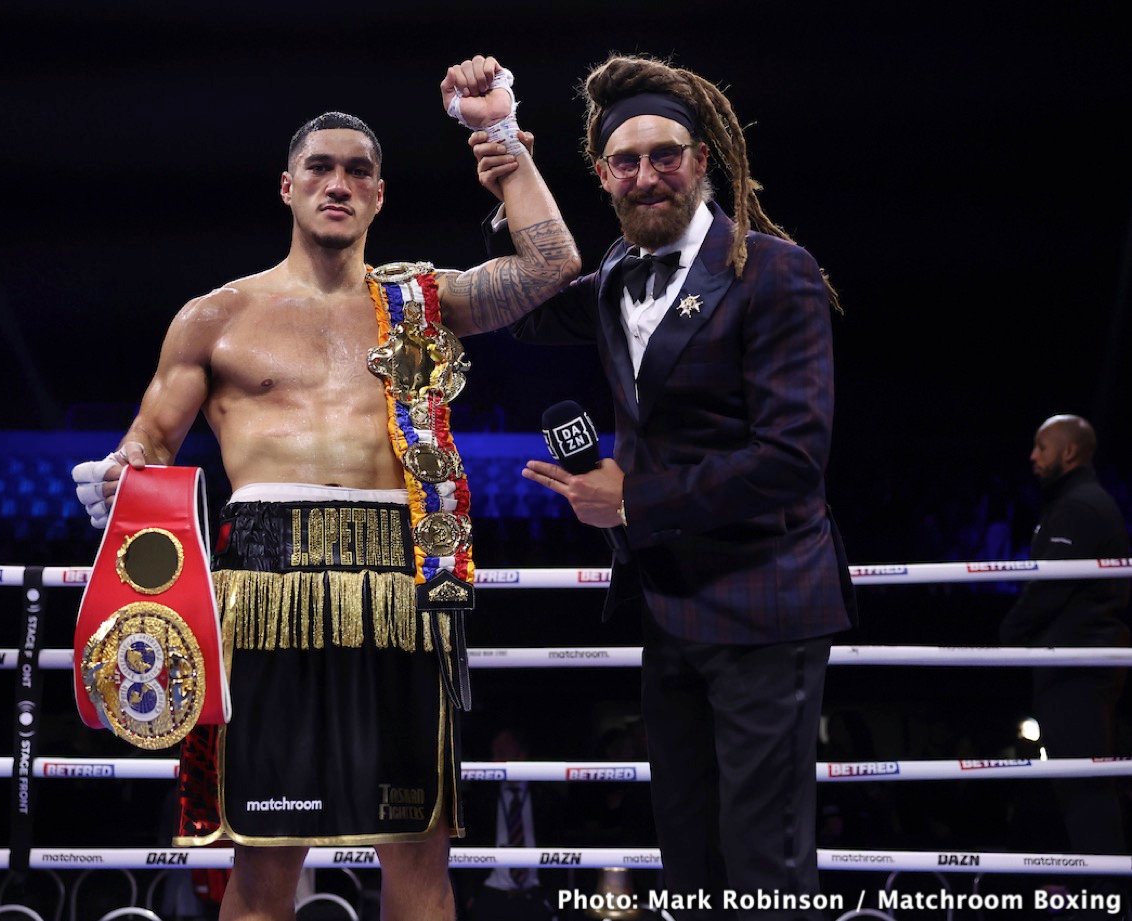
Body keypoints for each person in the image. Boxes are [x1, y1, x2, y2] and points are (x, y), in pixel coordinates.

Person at [71, 56, 580, 921]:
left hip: (401, 589)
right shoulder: (216, 316)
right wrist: (120, 472)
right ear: (287, 186)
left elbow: (551, 263)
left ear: (379, 195)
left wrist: (499, 133)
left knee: (419, 855)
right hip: (264, 591)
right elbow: (150, 441)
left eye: (357, 171)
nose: (337, 183)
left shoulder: (422, 302)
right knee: (263, 865)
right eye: (319, 167)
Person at [474, 54, 856, 919]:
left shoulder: (774, 268)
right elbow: (527, 309)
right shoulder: (616, 269)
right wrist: (509, 172)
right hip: (669, 603)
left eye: (665, 155)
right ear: (603, 174)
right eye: (626, 161)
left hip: (766, 601)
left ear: (703, 159)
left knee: (764, 854)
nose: (647, 176)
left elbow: (793, 456)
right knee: (688, 848)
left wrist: (631, 502)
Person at [999, 415, 1130, 858]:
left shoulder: (1079, 506)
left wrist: (1005, 637)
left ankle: (1107, 891)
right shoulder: (1074, 503)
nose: (1032, 456)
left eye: (1042, 446)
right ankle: (1102, 887)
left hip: (1079, 662)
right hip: (1076, 659)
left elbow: (1048, 589)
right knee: (1079, 784)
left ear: (1069, 452)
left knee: (1084, 786)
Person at [456, 725, 566, 921]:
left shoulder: (546, 797)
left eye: (501, 754)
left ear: (521, 756)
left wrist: (553, 899)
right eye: (493, 754)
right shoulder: (481, 798)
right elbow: (466, 842)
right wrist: (471, 897)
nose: (494, 761)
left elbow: (560, 842)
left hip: (537, 894)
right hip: (490, 893)